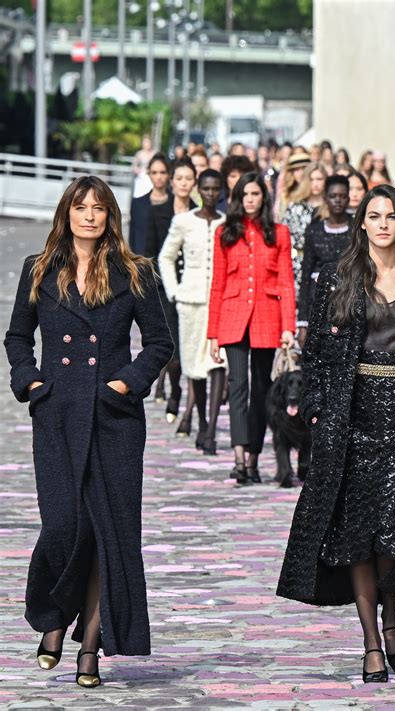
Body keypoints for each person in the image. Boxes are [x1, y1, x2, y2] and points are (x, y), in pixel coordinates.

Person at [277, 184, 395, 683]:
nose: (381, 224)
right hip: (350, 416)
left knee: (394, 529)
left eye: (390, 216)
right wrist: (316, 409)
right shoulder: (336, 279)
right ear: (361, 223)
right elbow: (314, 356)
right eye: (372, 215)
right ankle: (371, 641)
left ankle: (392, 613)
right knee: (355, 531)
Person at [4, 176, 173, 687]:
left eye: (99, 208)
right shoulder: (39, 269)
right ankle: (54, 617)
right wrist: (29, 380)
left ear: (110, 217)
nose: (90, 216)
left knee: (109, 535)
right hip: (56, 413)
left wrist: (128, 382)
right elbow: (16, 336)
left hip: (113, 418)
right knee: (64, 526)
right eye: (81, 207)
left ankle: (91, 649)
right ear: (67, 213)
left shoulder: (134, 272)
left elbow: (160, 342)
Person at [207, 172, 296, 485]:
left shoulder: (279, 233)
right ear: (237, 198)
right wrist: (213, 333)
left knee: (261, 389)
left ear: (264, 197)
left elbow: (286, 281)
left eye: (255, 194)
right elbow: (217, 283)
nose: (250, 200)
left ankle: (255, 458)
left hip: (267, 316)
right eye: (245, 194)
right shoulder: (225, 232)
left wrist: (288, 327)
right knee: (237, 386)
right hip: (232, 316)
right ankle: (239, 456)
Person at [159, 169, 226, 454]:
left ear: (221, 191)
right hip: (190, 303)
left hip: (221, 303)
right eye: (206, 189)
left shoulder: (226, 223)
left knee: (219, 363)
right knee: (195, 368)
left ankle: (210, 430)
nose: (210, 194)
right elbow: (166, 256)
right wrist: (174, 292)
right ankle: (200, 420)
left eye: (215, 190)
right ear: (199, 190)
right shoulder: (183, 221)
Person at [144, 157, 197, 426]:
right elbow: (151, 252)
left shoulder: (200, 211)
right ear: (172, 181)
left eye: (189, 178)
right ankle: (175, 390)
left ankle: (187, 406)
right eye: (180, 178)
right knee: (173, 350)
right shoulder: (158, 210)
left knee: (192, 350)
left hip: (195, 290)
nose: (184, 183)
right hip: (164, 290)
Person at [298, 175, 352, 345]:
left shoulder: (358, 229)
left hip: (350, 302)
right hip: (318, 303)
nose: (338, 201)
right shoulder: (314, 231)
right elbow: (305, 276)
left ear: (348, 198)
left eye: (342, 196)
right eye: (333, 196)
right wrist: (303, 323)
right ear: (325, 198)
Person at [282, 161, 328, 301]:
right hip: (298, 263)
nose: (315, 183)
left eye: (319, 179)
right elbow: (284, 236)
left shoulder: (331, 208)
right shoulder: (295, 207)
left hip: (322, 265)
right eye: (312, 179)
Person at [129, 152, 170, 256]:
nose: (159, 177)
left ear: (169, 174)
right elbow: (133, 238)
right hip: (142, 264)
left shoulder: (176, 203)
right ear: (149, 173)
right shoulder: (137, 204)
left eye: (163, 172)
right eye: (154, 172)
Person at [276, 152, 311, 220]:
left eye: (304, 168)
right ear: (291, 173)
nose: (301, 173)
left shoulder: (315, 192)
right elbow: (281, 218)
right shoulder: (285, 194)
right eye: (297, 170)